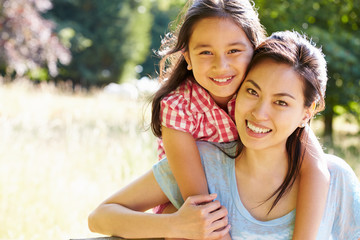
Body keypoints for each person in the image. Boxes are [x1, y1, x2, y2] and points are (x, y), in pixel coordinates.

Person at [88, 31, 360, 239]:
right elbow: (100, 217)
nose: (259, 113)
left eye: (281, 102)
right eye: (252, 92)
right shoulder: (204, 164)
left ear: (307, 112)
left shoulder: (337, 181)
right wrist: (176, 225)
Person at [151, 0, 329, 238]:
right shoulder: (178, 106)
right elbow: (201, 206)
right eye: (205, 52)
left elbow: (316, 167)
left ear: (255, 50)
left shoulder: (257, 97)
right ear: (188, 57)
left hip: (246, 197)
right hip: (189, 205)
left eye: (234, 51)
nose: (221, 66)